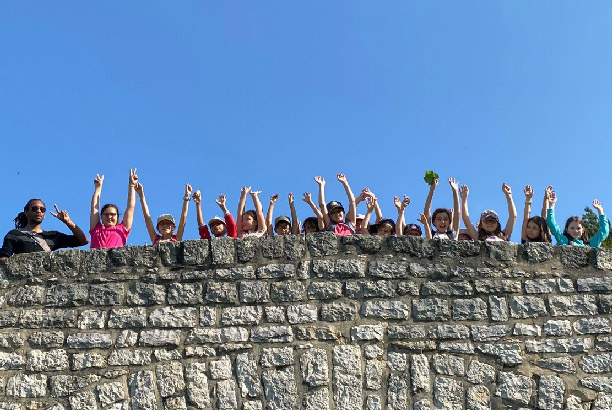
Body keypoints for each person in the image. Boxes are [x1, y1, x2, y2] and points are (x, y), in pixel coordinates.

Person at [0, 199, 88, 262]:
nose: (39, 211)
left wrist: (68, 222)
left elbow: (83, 241)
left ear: (44, 215)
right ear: (26, 213)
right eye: (34, 209)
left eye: (42, 210)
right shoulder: (14, 234)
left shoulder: (53, 236)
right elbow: (3, 258)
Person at [89, 169, 137, 249]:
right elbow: (94, 208)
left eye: (113, 214)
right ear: (101, 216)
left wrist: (132, 185)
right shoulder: (96, 228)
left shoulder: (122, 228)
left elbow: (130, 207)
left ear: (118, 216)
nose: (109, 217)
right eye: (106, 214)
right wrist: (98, 188)